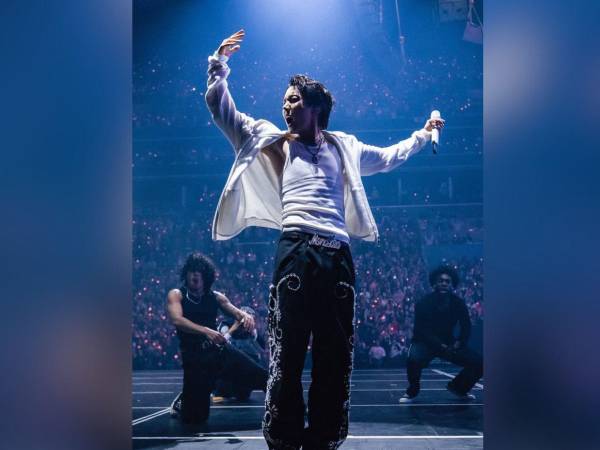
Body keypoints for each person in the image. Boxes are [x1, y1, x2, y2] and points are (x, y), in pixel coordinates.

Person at [205, 29, 444, 449]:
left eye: (294, 100)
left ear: (315, 106)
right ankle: (285, 437)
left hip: (337, 255)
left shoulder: (344, 146)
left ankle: (324, 437)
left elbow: (390, 157)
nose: (285, 106)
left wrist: (423, 135)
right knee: (288, 348)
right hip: (295, 250)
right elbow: (222, 110)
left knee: (335, 351)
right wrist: (218, 64)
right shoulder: (271, 140)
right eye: (284, 101)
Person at [166, 252, 268, 424]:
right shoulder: (177, 295)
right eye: (192, 270)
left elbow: (238, 313)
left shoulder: (216, 297)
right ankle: (186, 399)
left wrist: (245, 316)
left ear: (206, 276)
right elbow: (177, 320)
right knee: (195, 419)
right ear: (186, 273)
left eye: (199, 271)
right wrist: (206, 330)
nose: (195, 274)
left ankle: (287, 410)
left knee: (265, 378)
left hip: (219, 353)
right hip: (195, 360)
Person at [399, 265, 483, 403]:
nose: (444, 283)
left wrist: (459, 342)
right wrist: (440, 345)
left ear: (452, 284)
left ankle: (459, 388)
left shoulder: (458, 303)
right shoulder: (423, 303)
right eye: (441, 281)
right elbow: (422, 330)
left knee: (480, 362)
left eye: (447, 281)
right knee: (413, 358)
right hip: (425, 342)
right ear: (435, 283)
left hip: (449, 342)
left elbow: (466, 326)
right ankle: (412, 391)